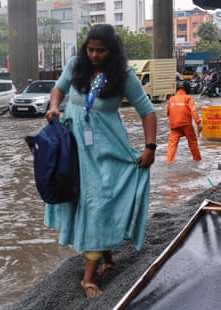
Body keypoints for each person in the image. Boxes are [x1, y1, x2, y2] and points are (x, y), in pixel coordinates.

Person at [44, 24, 157, 298]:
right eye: (90, 49)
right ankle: (107, 256)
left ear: (112, 51)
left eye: (101, 51)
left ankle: (88, 279)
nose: (94, 55)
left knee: (98, 204)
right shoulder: (75, 65)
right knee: (83, 200)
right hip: (73, 150)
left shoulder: (124, 75)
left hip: (107, 151)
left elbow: (147, 111)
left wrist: (150, 147)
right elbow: (58, 90)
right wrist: (54, 106)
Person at [166, 80, 202, 163]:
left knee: (172, 145)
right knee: (193, 143)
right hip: (186, 125)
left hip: (174, 126)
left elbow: (168, 113)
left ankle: (169, 162)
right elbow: (193, 110)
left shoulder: (171, 99)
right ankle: (197, 160)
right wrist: (198, 122)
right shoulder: (188, 98)